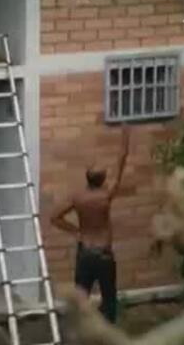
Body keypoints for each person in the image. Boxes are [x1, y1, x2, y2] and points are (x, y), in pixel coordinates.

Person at [51, 125, 133, 324]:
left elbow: (54, 218)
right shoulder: (106, 196)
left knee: (81, 299)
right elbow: (121, 162)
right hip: (104, 254)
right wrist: (125, 136)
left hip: (85, 253)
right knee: (109, 298)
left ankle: (76, 333)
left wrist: (76, 231)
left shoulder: (78, 197)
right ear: (103, 180)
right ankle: (108, 333)